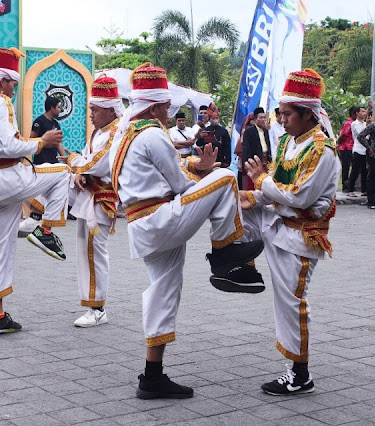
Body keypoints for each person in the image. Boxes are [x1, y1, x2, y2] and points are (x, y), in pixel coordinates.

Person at [108, 63, 264, 400]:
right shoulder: (152, 133)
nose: (170, 112)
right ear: (154, 106)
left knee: (164, 289)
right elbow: (178, 184)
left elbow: (170, 169)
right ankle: (224, 255)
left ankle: (152, 377)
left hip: (141, 225)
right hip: (161, 218)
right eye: (166, 106)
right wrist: (207, 175)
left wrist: (197, 167)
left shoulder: (125, 133)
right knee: (225, 179)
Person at [241, 68, 340, 395]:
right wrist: (253, 195)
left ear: (307, 114)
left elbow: (299, 196)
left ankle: (300, 374)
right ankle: (236, 265)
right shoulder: (287, 143)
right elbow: (277, 188)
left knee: (291, 303)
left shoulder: (321, 151)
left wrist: (260, 182)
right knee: (225, 200)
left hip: (299, 237)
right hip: (278, 223)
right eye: (279, 113)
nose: (280, 119)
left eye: (286, 114)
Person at [0, 47, 69, 335]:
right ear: (1, 80)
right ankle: (45, 230)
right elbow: (11, 146)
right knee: (62, 173)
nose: (14, 87)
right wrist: (42, 142)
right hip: (8, 179)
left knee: (0, 246)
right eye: (12, 81)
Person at [66, 76, 124, 327]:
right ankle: (92, 304)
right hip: (89, 195)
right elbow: (86, 160)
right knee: (85, 250)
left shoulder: (118, 132)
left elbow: (96, 163)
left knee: (94, 252)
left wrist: (72, 163)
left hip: (103, 197)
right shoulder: (99, 131)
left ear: (110, 109)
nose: (90, 115)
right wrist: (79, 170)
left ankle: (98, 307)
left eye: (94, 110)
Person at [242, 107, 272, 190]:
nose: (263, 120)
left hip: (266, 160)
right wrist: (246, 163)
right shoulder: (249, 131)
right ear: (255, 119)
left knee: (265, 182)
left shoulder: (266, 131)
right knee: (254, 184)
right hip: (255, 161)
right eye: (261, 118)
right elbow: (246, 149)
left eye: (264, 117)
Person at [31, 96, 66, 165]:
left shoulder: (55, 123)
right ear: (52, 108)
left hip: (53, 162)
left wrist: (65, 159)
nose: (60, 110)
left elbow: (58, 143)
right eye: (58, 107)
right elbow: (31, 140)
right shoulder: (39, 121)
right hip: (41, 162)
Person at [195, 103, 231, 168]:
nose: (215, 120)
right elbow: (198, 143)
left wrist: (227, 161)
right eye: (213, 118)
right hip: (206, 159)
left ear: (219, 118)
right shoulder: (205, 130)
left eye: (216, 118)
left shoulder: (223, 131)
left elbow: (227, 147)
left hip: (220, 159)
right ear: (210, 119)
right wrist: (201, 137)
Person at [347, 106, 368, 197]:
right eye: (362, 111)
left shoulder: (365, 124)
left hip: (365, 150)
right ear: (357, 113)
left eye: (364, 111)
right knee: (355, 170)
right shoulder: (354, 124)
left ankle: (364, 189)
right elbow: (361, 135)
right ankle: (351, 189)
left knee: (364, 171)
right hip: (358, 149)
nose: (364, 113)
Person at [337, 107, 357, 192]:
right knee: (346, 167)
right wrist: (338, 143)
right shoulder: (349, 123)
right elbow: (343, 135)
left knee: (353, 168)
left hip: (352, 147)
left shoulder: (355, 123)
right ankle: (345, 186)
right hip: (346, 147)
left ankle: (349, 184)